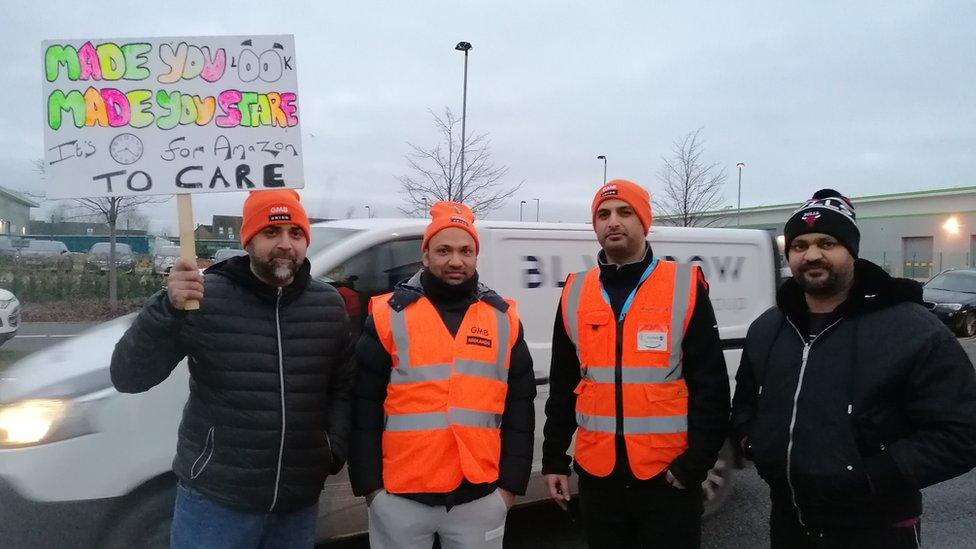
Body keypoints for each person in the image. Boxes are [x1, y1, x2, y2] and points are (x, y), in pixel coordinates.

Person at [732, 188, 976, 548]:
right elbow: (748, 403)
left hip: (877, 525)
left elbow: (962, 432)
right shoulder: (768, 328)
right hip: (789, 520)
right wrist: (754, 443)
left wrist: (873, 476)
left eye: (827, 243)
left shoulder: (911, 329)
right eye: (799, 246)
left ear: (851, 251)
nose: (811, 254)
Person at [110, 189, 354, 549]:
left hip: (296, 504)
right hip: (216, 503)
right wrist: (166, 308)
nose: (286, 244)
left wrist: (330, 451)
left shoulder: (329, 305)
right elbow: (129, 376)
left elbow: (342, 388)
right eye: (272, 232)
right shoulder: (201, 297)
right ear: (249, 240)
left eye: (296, 233)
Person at [542, 180, 730, 548]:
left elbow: (711, 386)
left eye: (625, 212)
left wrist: (695, 464)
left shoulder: (684, 286)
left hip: (667, 478)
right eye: (603, 214)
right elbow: (563, 384)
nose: (613, 221)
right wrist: (553, 460)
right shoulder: (575, 291)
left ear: (644, 221)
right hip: (599, 479)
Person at [349, 201, 536, 549]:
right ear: (425, 255)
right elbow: (363, 404)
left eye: (466, 250)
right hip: (401, 497)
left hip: (479, 497)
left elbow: (520, 406)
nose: (455, 261)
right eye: (444, 250)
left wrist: (509, 488)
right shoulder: (388, 315)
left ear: (476, 256)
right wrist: (371, 489)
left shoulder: (502, 318)